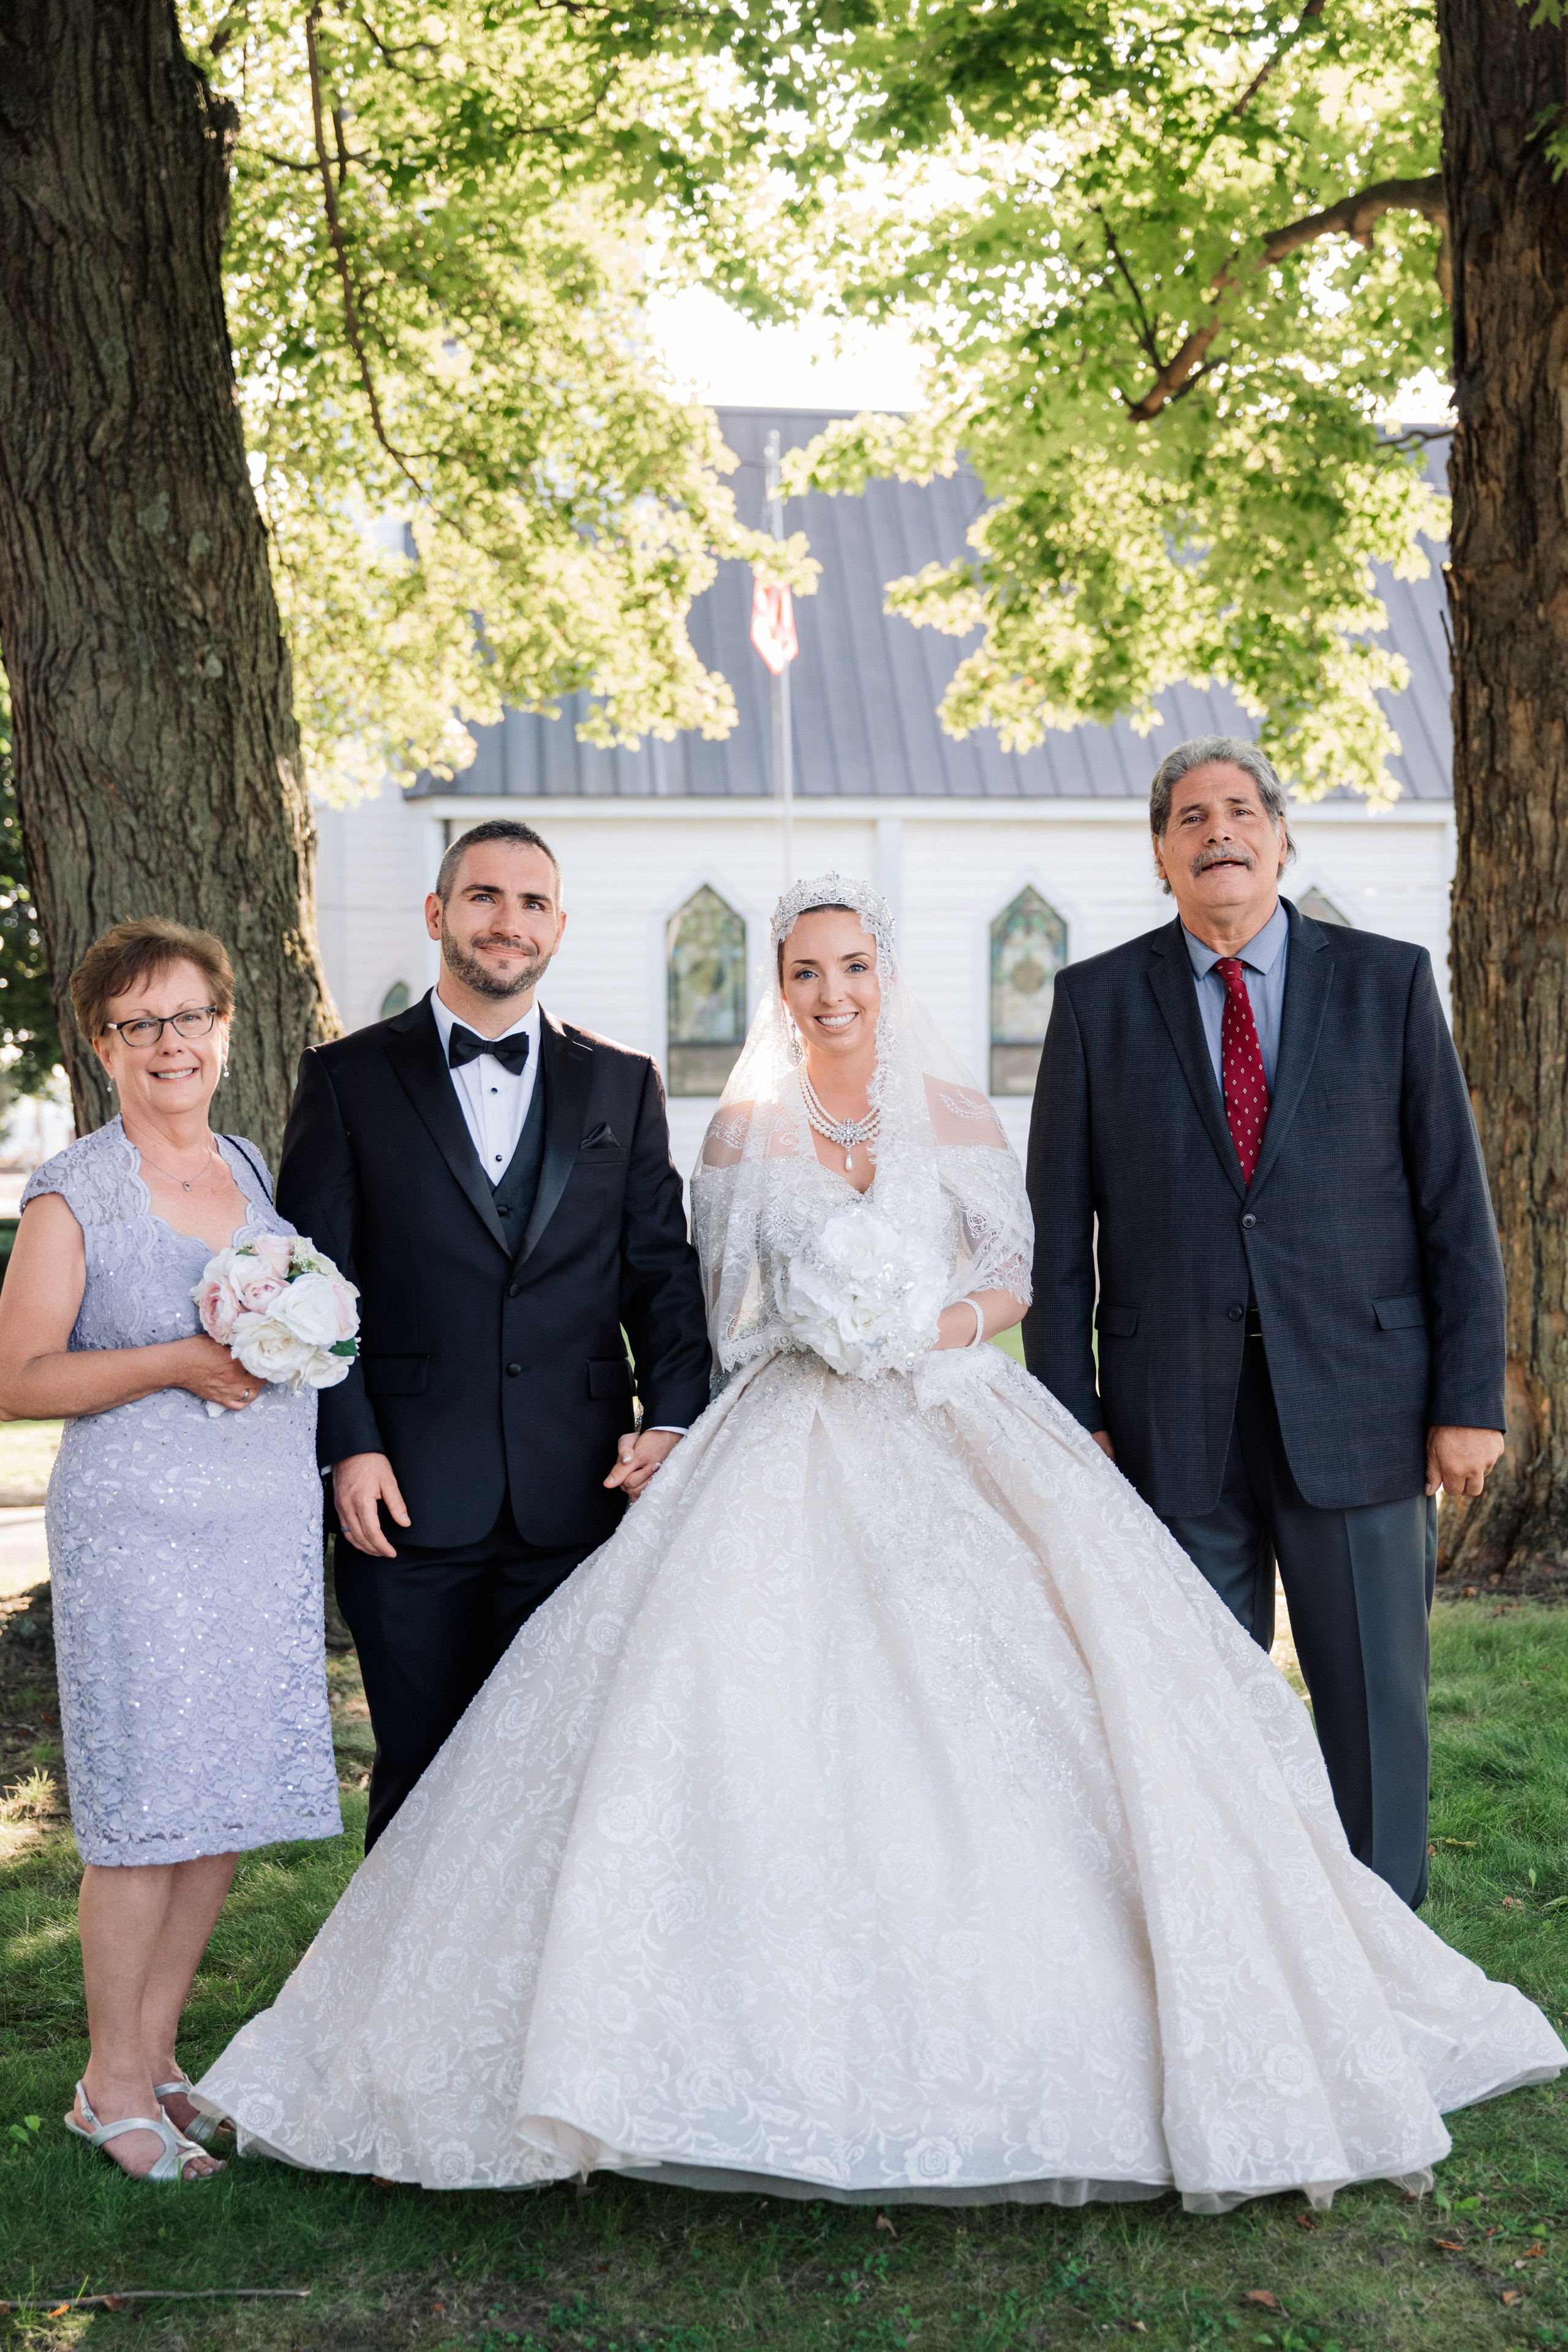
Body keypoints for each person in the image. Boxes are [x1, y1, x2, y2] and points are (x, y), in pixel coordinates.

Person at [194, 876, 1560, 2213]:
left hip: (956, 1419)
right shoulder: (739, 1134)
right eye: (804, 971)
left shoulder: (955, 1113)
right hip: (789, 1437)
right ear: (778, 989)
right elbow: (715, 1305)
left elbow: (1014, 1277)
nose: (830, 991)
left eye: (852, 967)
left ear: (884, 977)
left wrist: (932, 1328)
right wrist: (818, 1337)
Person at [1024, 734, 1507, 1912]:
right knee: (1196, 1707)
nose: (1219, 833)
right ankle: (1233, 1941)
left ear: (1283, 839)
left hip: (1364, 1406)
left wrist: (1466, 1406)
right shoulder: (1095, 1003)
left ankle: (1386, 1938)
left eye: (1242, 811)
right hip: (1166, 1423)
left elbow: (1455, 1203)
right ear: (1161, 857)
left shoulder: (1387, 982)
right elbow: (1055, 1234)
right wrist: (1068, 1415)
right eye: (1191, 818)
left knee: (1375, 1705)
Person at [275, 818, 711, 1851]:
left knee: (566, 1783)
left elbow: (661, 1274)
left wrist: (675, 1421)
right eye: (483, 897)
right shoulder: (346, 1080)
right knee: (420, 1773)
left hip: (584, 1492)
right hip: (408, 1495)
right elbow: (312, 1286)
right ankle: (386, 2011)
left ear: (558, 926)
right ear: (439, 914)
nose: (506, 922)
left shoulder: (622, 1083)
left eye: (530, 903)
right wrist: (350, 1442)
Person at [0, 919, 340, 2184]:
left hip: (253, 1530)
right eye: (140, 1024)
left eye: (190, 1017)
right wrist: (177, 1361)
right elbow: (17, 1374)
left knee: (218, 1810)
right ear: (102, 1046)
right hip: (140, 1536)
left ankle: (152, 2063)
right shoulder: (74, 1189)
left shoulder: (249, 1163)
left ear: (225, 1030)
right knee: (143, 1815)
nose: (170, 1043)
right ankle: (106, 2083)